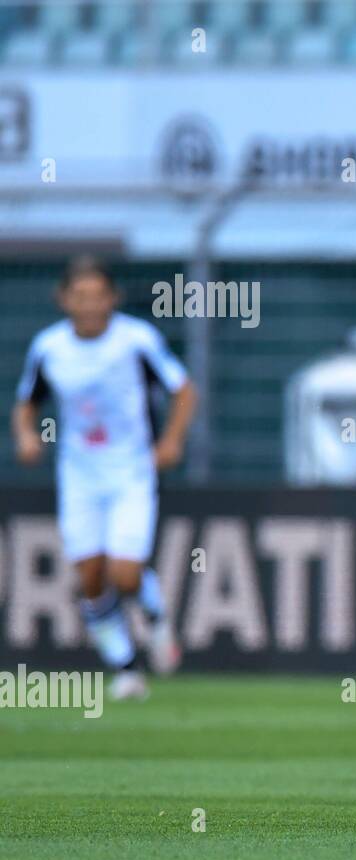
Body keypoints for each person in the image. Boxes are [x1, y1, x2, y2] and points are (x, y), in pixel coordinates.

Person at [12, 257, 194, 699]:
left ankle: (153, 614)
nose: (90, 305)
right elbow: (27, 401)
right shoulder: (49, 347)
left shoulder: (135, 340)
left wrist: (171, 440)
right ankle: (127, 668)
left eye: (98, 296)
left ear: (113, 298)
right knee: (91, 577)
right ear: (63, 300)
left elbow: (183, 389)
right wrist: (26, 436)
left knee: (125, 573)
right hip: (79, 475)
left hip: (131, 470)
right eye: (80, 296)